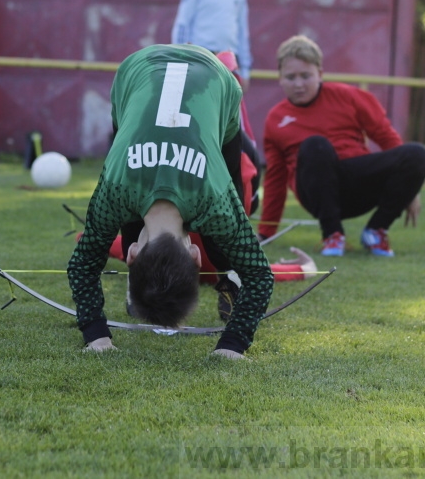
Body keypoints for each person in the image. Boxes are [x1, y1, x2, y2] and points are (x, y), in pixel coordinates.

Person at [67, 44, 274, 359]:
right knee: (228, 233)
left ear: (193, 255)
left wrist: (96, 335)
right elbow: (260, 275)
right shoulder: (122, 188)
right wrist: (233, 345)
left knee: (224, 238)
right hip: (149, 67)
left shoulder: (208, 196)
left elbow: (83, 263)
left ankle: (228, 273)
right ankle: (228, 270)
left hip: (176, 71)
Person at [258, 35, 425, 258]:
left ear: (320, 74)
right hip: (315, 191)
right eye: (291, 77)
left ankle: (377, 231)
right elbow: (276, 178)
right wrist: (266, 231)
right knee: (315, 145)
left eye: (306, 76)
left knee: (417, 153)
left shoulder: (349, 97)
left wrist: (411, 191)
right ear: (280, 78)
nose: (299, 84)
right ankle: (332, 234)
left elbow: (387, 138)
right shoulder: (276, 118)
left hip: (359, 182)